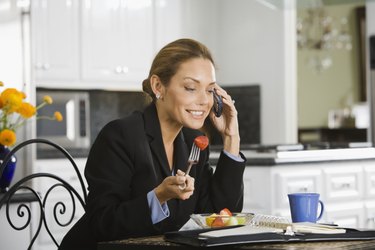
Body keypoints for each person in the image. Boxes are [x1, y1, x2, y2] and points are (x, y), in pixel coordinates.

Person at [59, 38, 247, 249]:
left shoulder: (193, 141)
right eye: (191, 87)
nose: (205, 100)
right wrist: (159, 197)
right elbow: (103, 222)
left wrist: (232, 138)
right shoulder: (120, 136)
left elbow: (220, 215)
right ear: (158, 86)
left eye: (210, 90)